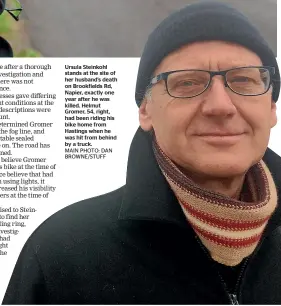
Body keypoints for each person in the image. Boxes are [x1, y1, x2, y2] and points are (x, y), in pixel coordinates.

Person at [3, 1, 281, 304]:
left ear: (271, 109)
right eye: (187, 83)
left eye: (243, 80)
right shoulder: (60, 252)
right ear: (146, 111)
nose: (220, 106)